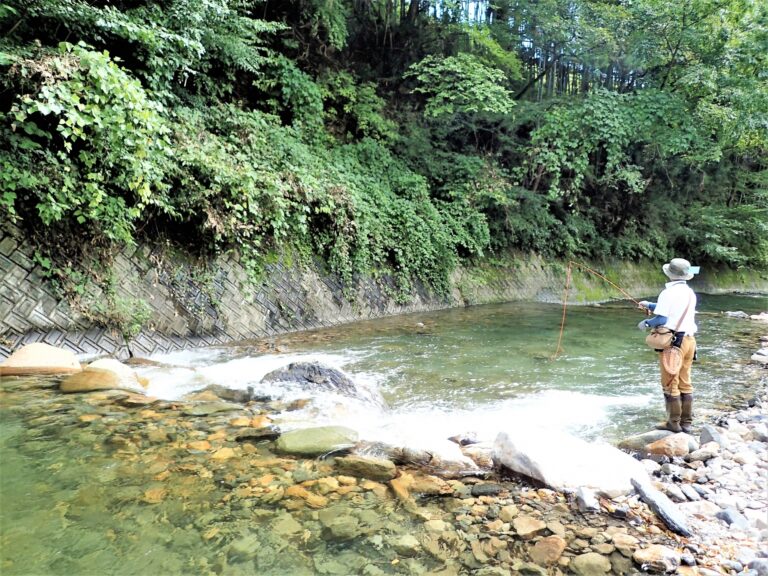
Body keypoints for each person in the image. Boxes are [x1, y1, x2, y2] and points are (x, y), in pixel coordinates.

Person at [637, 258, 700, 433]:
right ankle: (686, 423)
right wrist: (650, 305)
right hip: (689, 341)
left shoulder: (668, 293)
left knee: (670, 382)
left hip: (674, 344)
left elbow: (662, 319)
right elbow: (673, 309)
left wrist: (646, 323)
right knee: (685, 381)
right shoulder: (689, 292)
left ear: (670, 274)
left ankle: (673, 423)